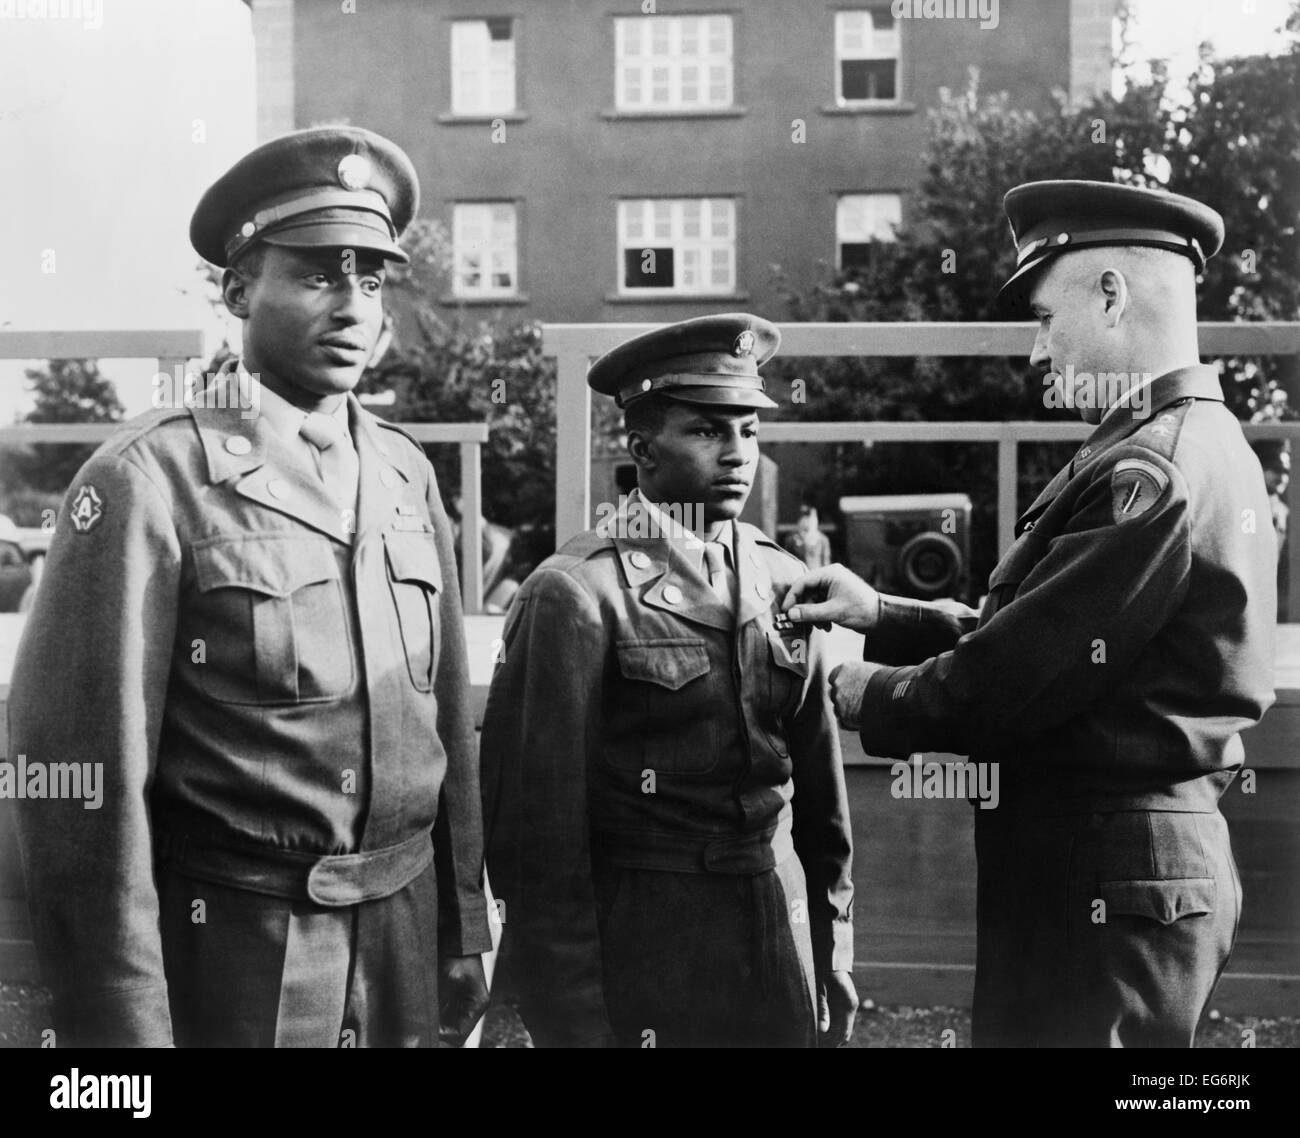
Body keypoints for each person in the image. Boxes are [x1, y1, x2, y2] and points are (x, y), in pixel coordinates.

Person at [8, 126, 491, 1047]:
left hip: (403, 940)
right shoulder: (149, 480)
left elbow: (445, 735)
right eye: (317, 273)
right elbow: (85, 796)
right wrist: (124, 1034)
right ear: (237, 289)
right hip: (240, 954)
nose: (354, 307)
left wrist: (463, 931)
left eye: (372, 278)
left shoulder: (401, 473)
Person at [785, 181, 1277, 1047]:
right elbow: (1048, 641)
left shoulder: (1149, 472)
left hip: (1107, 878)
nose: (1037, 353)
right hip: (1131, 872)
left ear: (1113, 295)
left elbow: (1003, 684)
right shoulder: (1196, 440)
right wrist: (882, 612)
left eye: (1046, 318)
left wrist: (857, 691)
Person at [480, 314, 857, 1048]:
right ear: (642, 447)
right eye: (709, 431)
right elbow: (537, 836)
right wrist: (574, 1016)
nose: (738, 454)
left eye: (749, 430)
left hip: (777, 935)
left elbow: (823, 800)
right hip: (649, 945)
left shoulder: (785, 579)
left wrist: (833, 951)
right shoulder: (576, 593)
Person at [783, 502, 833, 570]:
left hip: (816, 574)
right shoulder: (791, 539)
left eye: (809, 517)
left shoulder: (822, 539)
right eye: (803, 517)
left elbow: (826, 562)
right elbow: (787, 561)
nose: (806, 521)